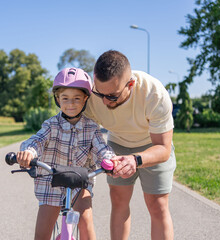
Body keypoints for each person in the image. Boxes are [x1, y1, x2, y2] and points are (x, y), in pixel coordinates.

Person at [84, 50, 176, 240]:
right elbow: (85, 135)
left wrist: (136, 160)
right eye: (100, 93)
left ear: (131, 84)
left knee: (157, 205)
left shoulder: (154, 94)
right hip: (117, 144)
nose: (104, 101)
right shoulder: (94, 96)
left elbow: (164, 149)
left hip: (152, 146)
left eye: (112, 96)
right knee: (118, 200)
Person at [17, 67, 115, 240]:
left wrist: (110, 160)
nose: (71, 104)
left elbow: (102, 148)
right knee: (42, 232)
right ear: (57, 99)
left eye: (77, 98)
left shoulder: (91, 127)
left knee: (86, 221)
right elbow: (37, 140)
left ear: (86, 98)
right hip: (50, 181)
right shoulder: (51, 125)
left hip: (80, 181)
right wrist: (28, 152)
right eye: (65, 98)